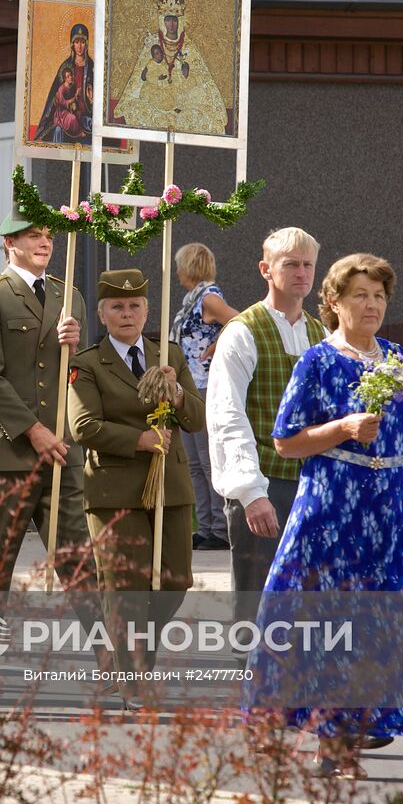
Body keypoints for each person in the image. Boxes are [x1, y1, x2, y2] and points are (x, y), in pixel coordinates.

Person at [247, 253, 403, 782]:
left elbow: (401, 441)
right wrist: (344, 427)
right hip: (333, 508)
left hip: (391, 509)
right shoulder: (318, 362)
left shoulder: (395, 356)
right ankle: (336, 745)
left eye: (379, 297)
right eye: (360, 296)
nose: (371, 305)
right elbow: (285, 442)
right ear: (334, 303)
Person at [0, 205, 108, 694]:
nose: (43, 242)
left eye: (47, 235)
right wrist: (32, 430)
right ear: (10, 244)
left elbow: (74, 372)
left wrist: (76, 340)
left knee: (77, 554)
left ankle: (108, 656)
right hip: (7, 451)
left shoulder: (69, 297)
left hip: (60, 450)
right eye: (31, 236)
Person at [66, 269, 205, 708]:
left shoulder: (169, 355)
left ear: (147, 310)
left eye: (135, 306)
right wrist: (138, 439)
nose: (127, 314)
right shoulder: (87, 363)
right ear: (103, 315)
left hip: (171, 487)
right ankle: (133, 677)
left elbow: (197, 419)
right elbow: (82, 425)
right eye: (117, 307)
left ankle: (136, 659)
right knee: (127, 587)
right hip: (115, 491)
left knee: (175, 581)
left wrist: (178, 393)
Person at [207, 227, 325, 628]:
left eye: (308, 265)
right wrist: (250, 492)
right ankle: (248, 680)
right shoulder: (243, 331)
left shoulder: (319, 333)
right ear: (266, 270)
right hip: (264, 480)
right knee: (255, 600)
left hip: (310, 481)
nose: (301, 273)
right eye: (290, 264)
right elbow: (227, 414)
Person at [169, 242, 238, 552]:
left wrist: (218, 344)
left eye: (180, 264)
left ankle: (221, 530)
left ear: (190, 266)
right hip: (190, 387)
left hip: (207, 386)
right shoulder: (193, 298)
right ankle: (206, 526)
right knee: (195, 462)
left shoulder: (209, 297)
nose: (177, 270)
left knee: (209, 462)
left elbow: (239, 321)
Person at [114, 0, 227, 135]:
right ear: (162, 20)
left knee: (204, 112)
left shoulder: (188, 46)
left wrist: (185, 73)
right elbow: (139, 79)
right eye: (168, 19)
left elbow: (202, 79)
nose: (171, 24)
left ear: (180, 21)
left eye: (175, 19)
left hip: (182, 95)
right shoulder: (153, 43)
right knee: (136, 106)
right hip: (158, 94)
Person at [32, 23, 94, 146]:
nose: (79, 46)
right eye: (76, 42)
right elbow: (55, 94)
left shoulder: (92, 67)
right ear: (72, 44)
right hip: (69, 114)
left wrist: (92, 100)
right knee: (59, 131)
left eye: (82, 42)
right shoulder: (66, 66)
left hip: (86, 114)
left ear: (86, 44)